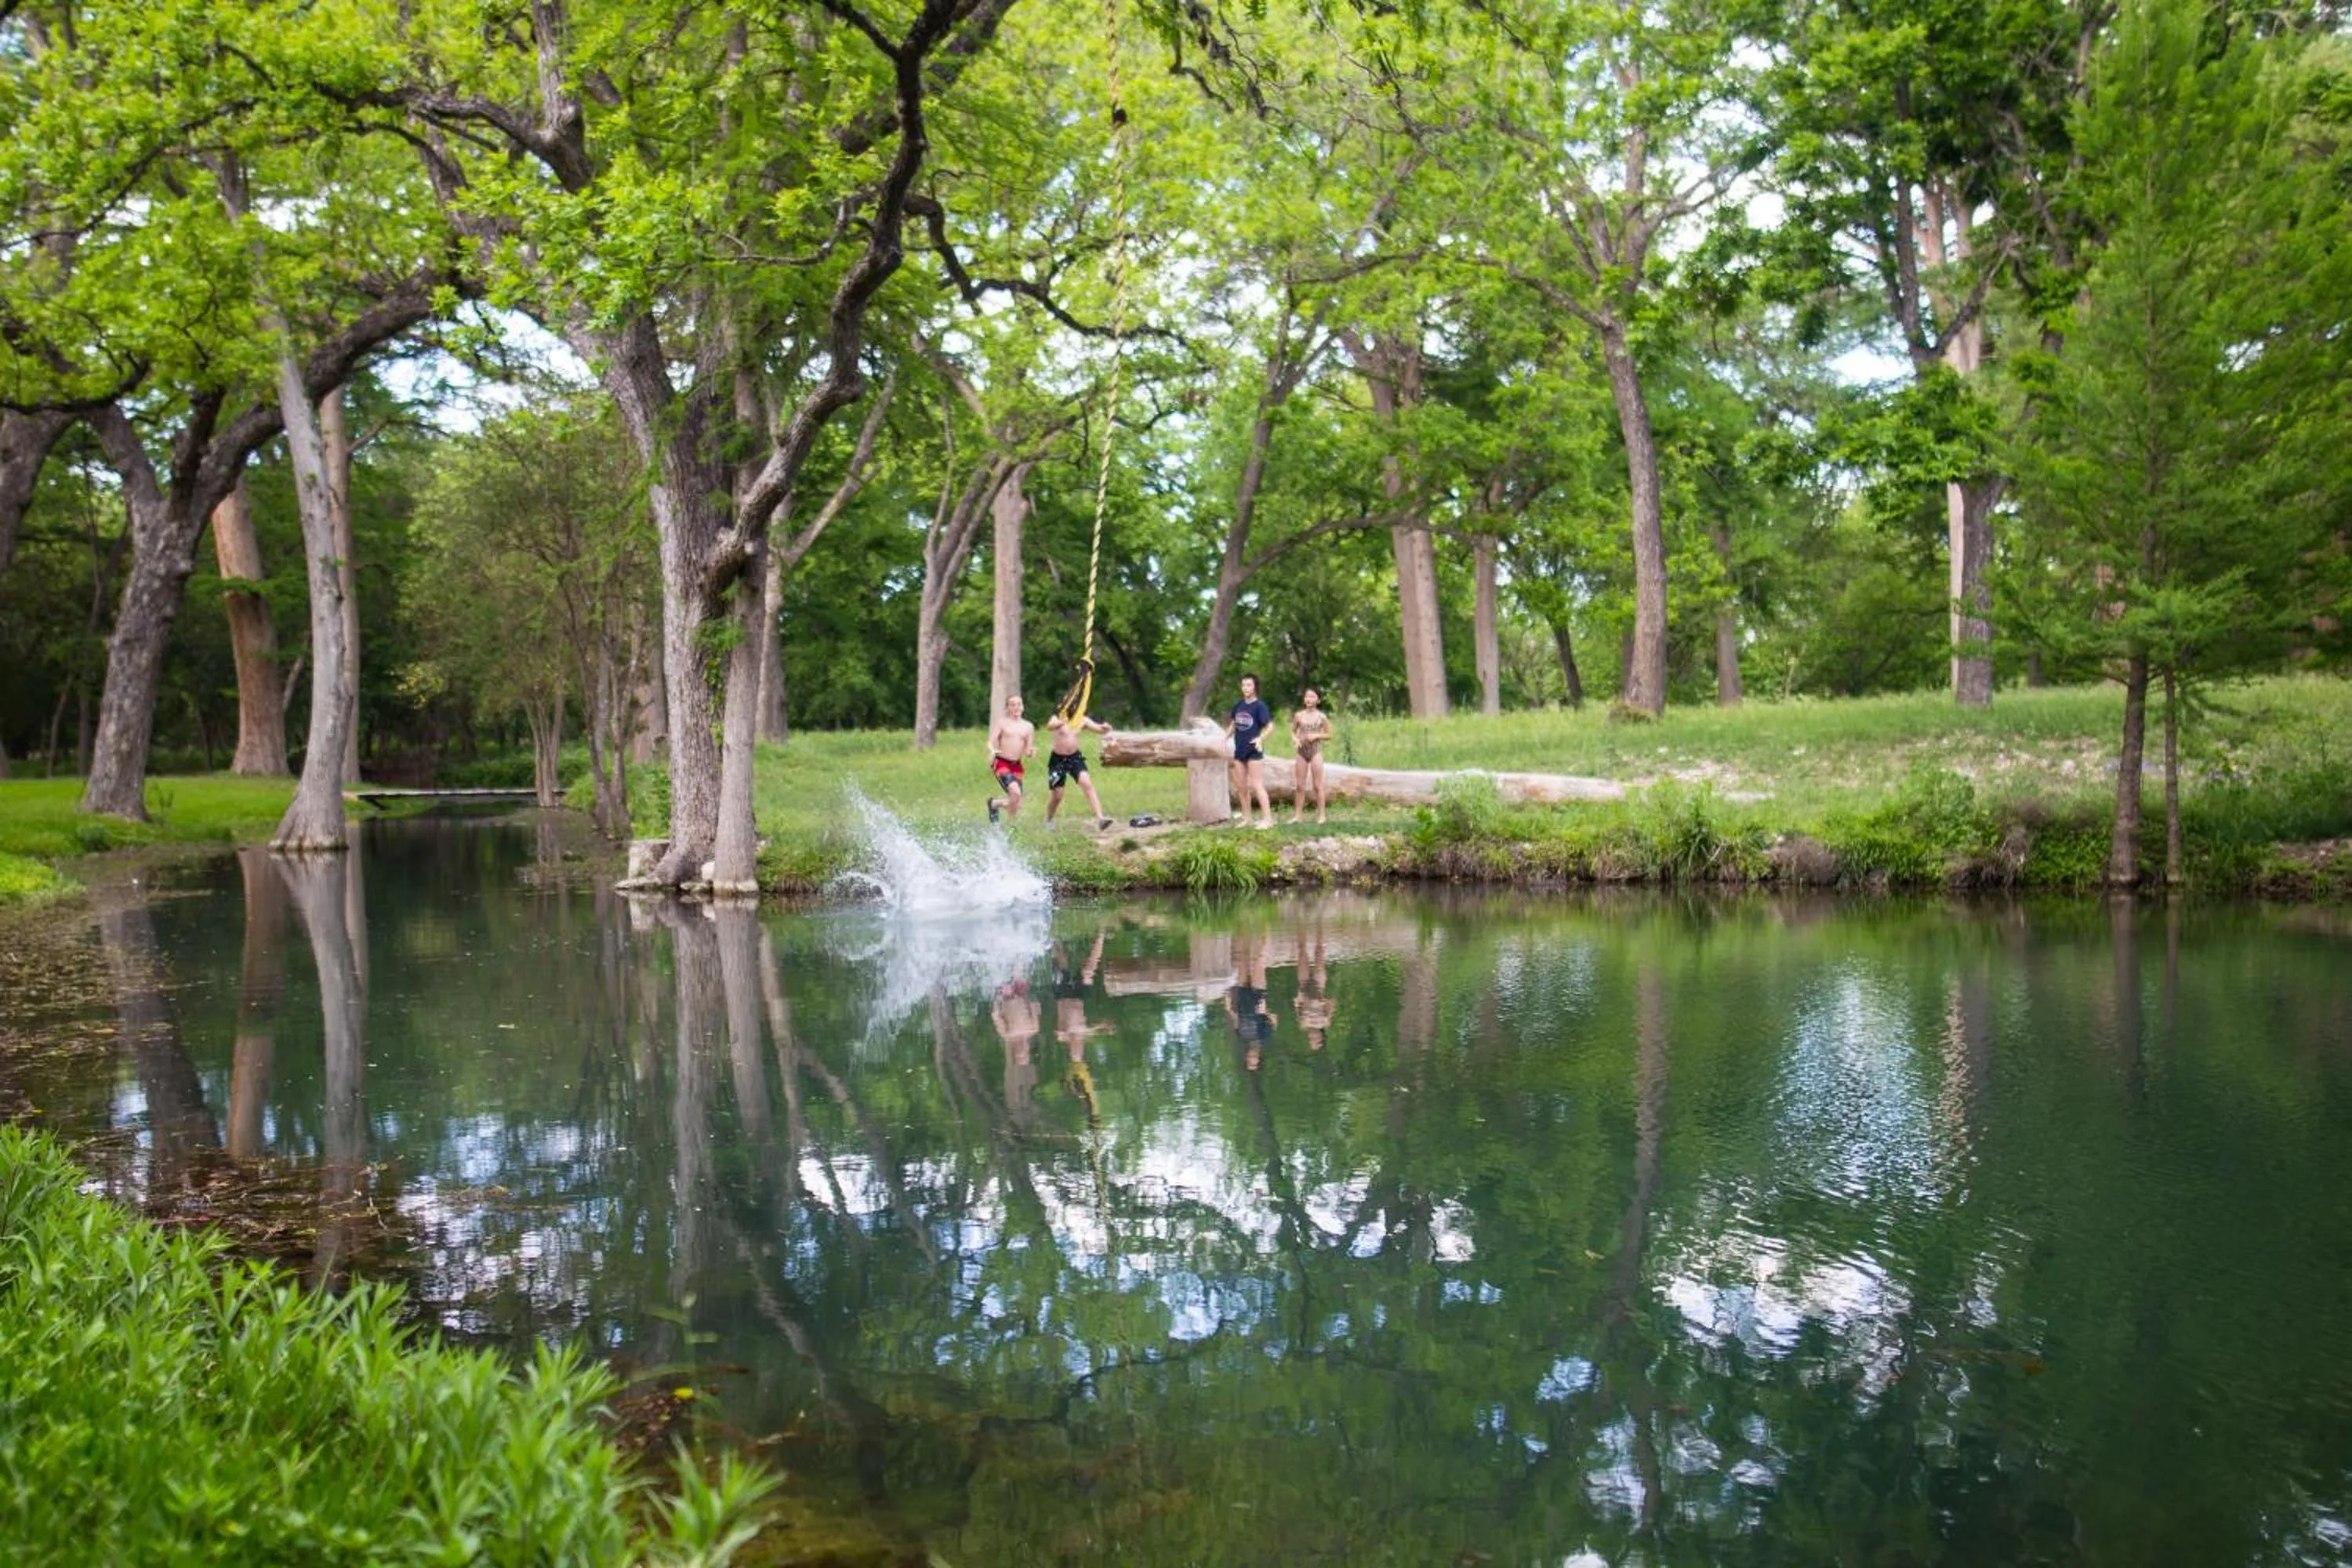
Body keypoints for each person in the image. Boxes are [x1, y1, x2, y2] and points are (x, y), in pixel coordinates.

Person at [1044, 710, 1115, 828]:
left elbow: (1100, 730)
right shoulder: (1057, 718)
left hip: (1074, 758)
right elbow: (1050, 726)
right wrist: (1062, 722)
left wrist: (1106, 728)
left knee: (1087, 784)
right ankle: (1049, 820)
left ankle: (1100, 818)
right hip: (1058, 760)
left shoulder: (1082, 720)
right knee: (1057, 795)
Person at [1223, 673, 1276, 829]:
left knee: (1256, 784)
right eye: (1244, 685)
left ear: (1255, 687)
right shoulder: (1239, 705)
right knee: (1241, 786)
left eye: (1249, 685)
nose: (1246, 688)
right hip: (1239, 750)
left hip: (1253, 750)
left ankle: (1268, 819)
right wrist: (1225, 737)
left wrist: (1261, 739)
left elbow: (1270, 727)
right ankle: (1247, 818)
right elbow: (1234, 724)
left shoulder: (1259, 706)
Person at [985, 695, 1036, 825]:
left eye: (1019, 704)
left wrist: (1031, 752)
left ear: (1023, 707)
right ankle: (1009, 825)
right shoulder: (1002, 723)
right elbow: (990, 742)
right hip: (1002, 762)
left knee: (1017, 803)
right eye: (1012, 705)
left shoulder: (1028, 726)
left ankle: (995, 804)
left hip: (1016, 765)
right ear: (1007, 708)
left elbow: (1027, 750)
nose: (1016, 707)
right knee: (1016, 792)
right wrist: (992, 750)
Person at [1288, 686, 1331, 825]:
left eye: (1312, 697)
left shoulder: (1321, 717)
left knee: (1317, 785)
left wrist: (1317, 735)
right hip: (1301, 752)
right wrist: (1295, 739)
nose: (1309, 699)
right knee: (1300, 785)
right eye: (1307, 696)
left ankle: (1322, 815)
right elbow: (1292, 732)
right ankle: (1298, 816)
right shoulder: (1299, 716)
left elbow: (1329, 734)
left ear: (1318, 700)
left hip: (1315, 751)